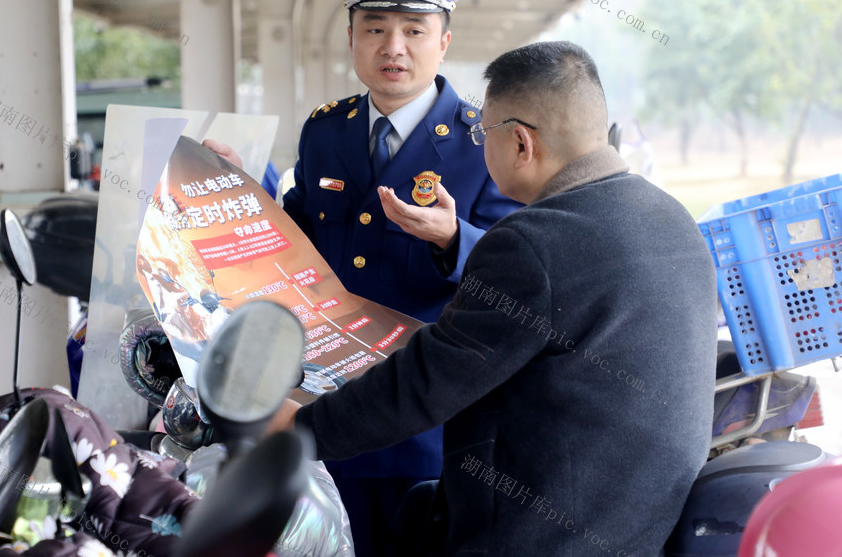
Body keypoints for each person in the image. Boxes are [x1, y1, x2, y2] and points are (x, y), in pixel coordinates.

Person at [270, 41, 719, 556]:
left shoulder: (535, 242)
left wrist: (295, 428)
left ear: (522, 143)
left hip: (537, 534)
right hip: (635, 524)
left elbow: (425, 384)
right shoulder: (671, 216)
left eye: (485, 132)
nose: (480, 144)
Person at [205, 0, 520, 555]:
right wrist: (242, 191)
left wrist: (456, 239)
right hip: (326, 410)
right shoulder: (326, 132)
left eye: (414, 29)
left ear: (444, 41)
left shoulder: (484, 140)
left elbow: (525, 269)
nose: (393, 48)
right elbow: (297, 241)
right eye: (375, 28)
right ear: (351, 37)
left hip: (427, 424)